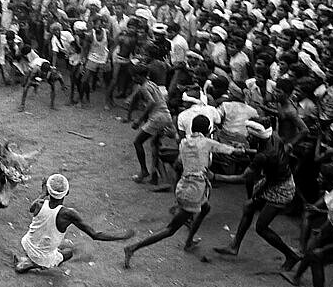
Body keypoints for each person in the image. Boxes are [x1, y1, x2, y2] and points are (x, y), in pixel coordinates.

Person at [124, 116, 244, 267]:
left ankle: (189, 241)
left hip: (186, 186)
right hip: (194, 190)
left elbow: (179, 162)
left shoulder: (184, 143)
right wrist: (238, 150)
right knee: (170, 230)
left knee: (206, 208)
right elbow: (228, 150)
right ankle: (133, 248)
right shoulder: (207, 143)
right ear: (208, 130)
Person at [213, 117, 302, 270]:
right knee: (248, 207)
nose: (247, 137)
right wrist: (245, 150)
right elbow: (262, 153)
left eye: (249, 135)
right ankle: (234, 246)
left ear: (256, 136)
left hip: (280, 189)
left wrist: (215, 176)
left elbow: (243, 177)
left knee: (261, 227)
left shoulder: (264, 155)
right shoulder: (273, 137)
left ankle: (291, 255)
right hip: (274, 181)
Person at [14, 174, 134, 273]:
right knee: (69, 252)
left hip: (27, 243)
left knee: (63, 243)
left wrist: (43, 192)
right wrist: (121, 236)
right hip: (41, 256)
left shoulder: (39, 203)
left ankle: (31, 258)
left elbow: (31, 208)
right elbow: (95, 235)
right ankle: (32, 264)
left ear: (48, 191)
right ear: (67, 192)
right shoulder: (68, 214)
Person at [128, 64, 175, 185]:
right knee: (155, 145)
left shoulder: (144, 87)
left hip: (158, 117)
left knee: (138, 142)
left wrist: (139, 120)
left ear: (139, 76)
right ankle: (155, 176)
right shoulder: (152, 84)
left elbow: (151, 103)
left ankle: (144, 171)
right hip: (165, 115)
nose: (133, 79)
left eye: (134, 76)